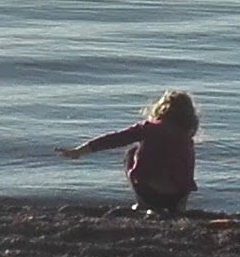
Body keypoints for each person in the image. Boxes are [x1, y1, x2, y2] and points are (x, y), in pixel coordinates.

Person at [58, 89, 199, 213]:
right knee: (183, 158)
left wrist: (79, 151)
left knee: (131, 153)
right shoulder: (187, 137)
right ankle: (180, 208)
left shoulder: (150, 128)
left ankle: (142, 204)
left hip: (151, 194)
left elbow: (115, 139)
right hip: (177, 196)